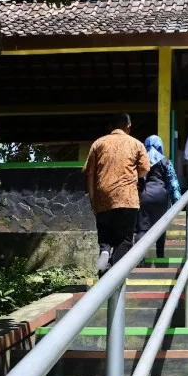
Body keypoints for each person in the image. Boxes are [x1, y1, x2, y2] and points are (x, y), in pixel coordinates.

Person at [82, 112, 150, 275]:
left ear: (110, 126)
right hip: (127, 199)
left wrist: (92, 197)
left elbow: (90, 173)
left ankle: (105, 251)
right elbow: (145, 169)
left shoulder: (98, 144)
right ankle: (114, 274)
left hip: (103, 198)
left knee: (105, 238)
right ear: (128, 126)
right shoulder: (136, 144)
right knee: (124, 240)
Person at [136, 135, 182, 258]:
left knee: (142, 228)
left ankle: (139, 260)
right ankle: (160, 256)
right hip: (161, 197)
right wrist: (177, 201)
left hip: (143, 196)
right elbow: (173, 183)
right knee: (160, 227)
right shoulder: (165, 161)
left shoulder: (141, 160)